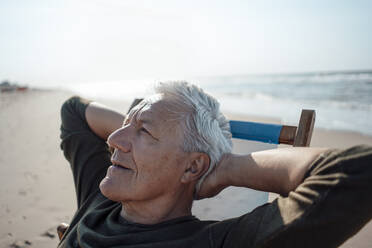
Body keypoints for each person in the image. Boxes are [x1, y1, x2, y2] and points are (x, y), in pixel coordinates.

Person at [59, 81, 372, 248]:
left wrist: (226, 167)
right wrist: (139, 123)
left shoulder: (219, 242)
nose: (113, 138)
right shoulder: (100, 198)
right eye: (124, 124)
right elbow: (73, 110)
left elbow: (360, 171)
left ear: (193, 168)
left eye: (144, 132)